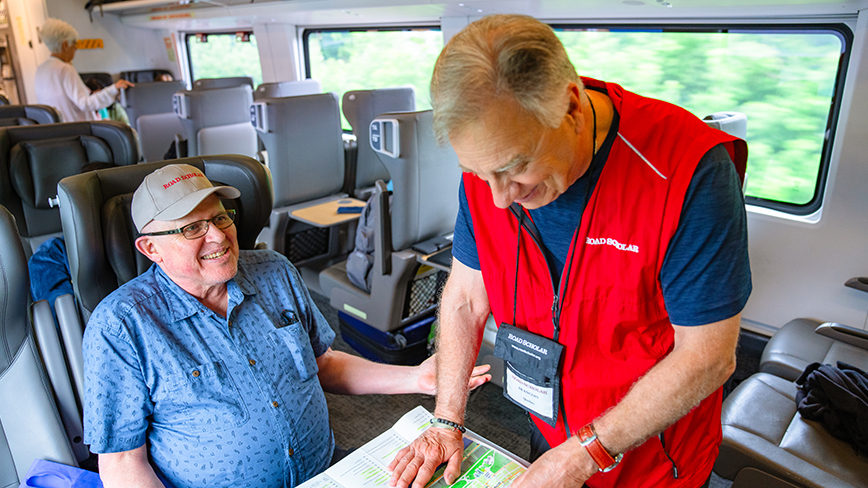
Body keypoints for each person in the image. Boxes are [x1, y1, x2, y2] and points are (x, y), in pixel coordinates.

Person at [388, 14, 750, 488]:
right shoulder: (492, 170)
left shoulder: (688, 173)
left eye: (516, 166)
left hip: (654, 459)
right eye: (477, 172)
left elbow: (708, 357)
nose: (499, 198)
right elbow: (465, 298)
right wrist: (447, 422)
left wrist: (583, 454)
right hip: (550, 427)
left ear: (572, 105)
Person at [82, 164, 490, 488]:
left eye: (221, 218)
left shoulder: (274, 272)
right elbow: (121, 464)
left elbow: (323, 364)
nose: (219, 237)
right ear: (150, 248)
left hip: (327, 472)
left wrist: (417, 378)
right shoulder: (121, 327)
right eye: (192, 228)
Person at [35, 18, 133, 122]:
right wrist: (114, 89)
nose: (76, 48)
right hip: (75, 131)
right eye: (74, 44)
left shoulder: (41, 70)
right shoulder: (64, 69)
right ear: (65, 45)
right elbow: (85, 103)